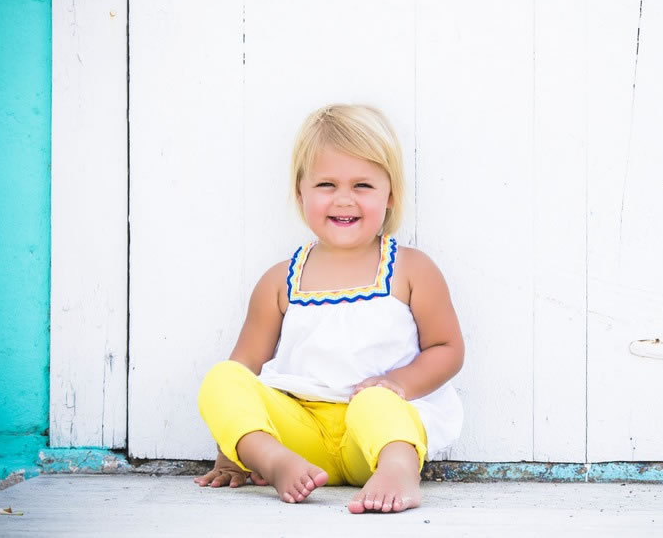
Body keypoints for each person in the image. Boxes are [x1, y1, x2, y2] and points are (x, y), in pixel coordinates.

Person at [194, 104, 464, 514]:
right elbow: (245, 367)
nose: (344, 199)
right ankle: (272, 460)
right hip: (302, 435)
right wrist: (232, 446)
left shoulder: (410, 269)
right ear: (300, 192)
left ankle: (397, 470)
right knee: (221, 378)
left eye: (362, 186)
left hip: (371, 437)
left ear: (390, 194)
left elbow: (448, 348)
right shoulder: (281, 280)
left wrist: (399, 383)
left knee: (376, 401)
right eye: (326, 184)